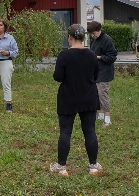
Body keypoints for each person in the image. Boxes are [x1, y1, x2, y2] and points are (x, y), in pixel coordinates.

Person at [50, 24, 103, 176]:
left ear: (70, 37)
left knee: (65, 132)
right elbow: (96, 76)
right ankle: (93, 166)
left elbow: (58, 77)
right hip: (88, 98)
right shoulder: (92, 55)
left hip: (68, 98)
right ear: (84, 37)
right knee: (90, 131)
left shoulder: (64, 56)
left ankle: (61, 167)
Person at [87, 21, 117, 127]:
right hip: (96, 71)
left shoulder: (107, 40)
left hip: (105, 72)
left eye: (94, 33)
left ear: (99, 30)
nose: (92, 35)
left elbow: (112, 57)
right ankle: (100, 115)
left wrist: (99, 57)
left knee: (103, 94)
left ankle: (107, 120)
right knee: (96, 94)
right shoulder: (94, 40)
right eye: (91, 34)